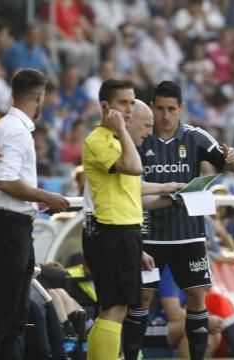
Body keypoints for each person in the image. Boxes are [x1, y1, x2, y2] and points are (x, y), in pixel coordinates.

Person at [124, 80, 234, 360]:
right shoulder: (141, 137)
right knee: (141, 298)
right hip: (149, 235)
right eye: (160, 108)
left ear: (181, 109)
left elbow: (233, 166)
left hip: (188, 235)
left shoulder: (196, 137)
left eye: (171, 109)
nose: (165, 116)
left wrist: (233, 159)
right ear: (152, 107)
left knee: (197, 297)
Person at [0, 68, 69, 360]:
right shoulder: (16, 131)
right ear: (40, 96)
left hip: (12, 225)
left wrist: (36, 201)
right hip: (9, 229)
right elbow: (6, 181)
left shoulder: (5, 127)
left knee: (15, 317)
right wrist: (46, 196)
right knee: (4, 315)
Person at [81, 79, 155, 360]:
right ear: (105, 106)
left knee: (116, 309)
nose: (128, 109)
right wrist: (123, 129)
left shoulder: (114, 140)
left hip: (123, 231)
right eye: (123, 103)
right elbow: (134, 168)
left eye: (131, 102)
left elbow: (129, 189)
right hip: (110, 231)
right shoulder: (99, 140)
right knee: (114, 308)